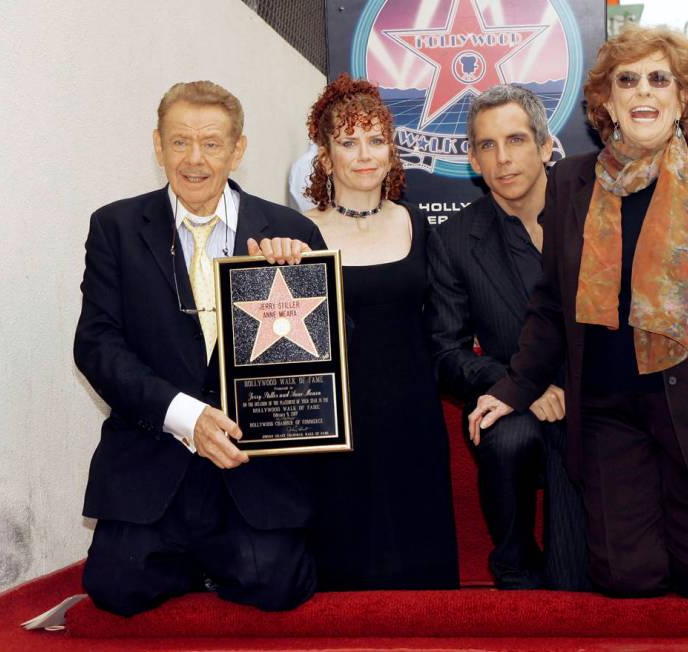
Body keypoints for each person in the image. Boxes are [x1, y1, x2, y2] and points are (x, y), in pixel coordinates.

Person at [469, 25, 688, 599]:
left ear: (683, 97)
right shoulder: (571, 182)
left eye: (659, 79)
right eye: (627, 80)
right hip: (610, 412)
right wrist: (512, 387)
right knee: (626, 580)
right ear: (607, 101)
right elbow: (551, 303)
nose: (643, 92)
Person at [74, 81, 327, 616]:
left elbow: (328, 358)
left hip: (251, 462)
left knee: (276, 583)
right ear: (158, 145)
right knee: (117, 588)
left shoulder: (288, 229)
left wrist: (297, 283)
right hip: (154, 452)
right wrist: (186, 417)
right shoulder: (115, 227)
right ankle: (200, 560)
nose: (194, 159)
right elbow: (97, 345)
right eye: (179, 142)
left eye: (211, 144)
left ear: (238, 150)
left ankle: (218, 558)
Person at [425, 84, 589, 590]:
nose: (503, 159)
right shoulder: (454, 241)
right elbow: (444, 353)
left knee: (584, 580)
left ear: (545, 147)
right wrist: (520, 385)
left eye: (516, 140)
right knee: (504, 433)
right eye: (488, 146)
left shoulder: (595, 213)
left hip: (601, 399)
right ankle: (514, 564)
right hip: (521, 404)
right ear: (472, 159)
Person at [300, 73, 459, 590]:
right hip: (335, 418)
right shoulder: (299, 234)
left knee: (419, 565)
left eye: (375, 139)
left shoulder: (417, 224)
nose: (364, 154)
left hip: (412, 408)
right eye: (348, 142)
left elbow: (442, 325)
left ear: (392, 150)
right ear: (325, 157)